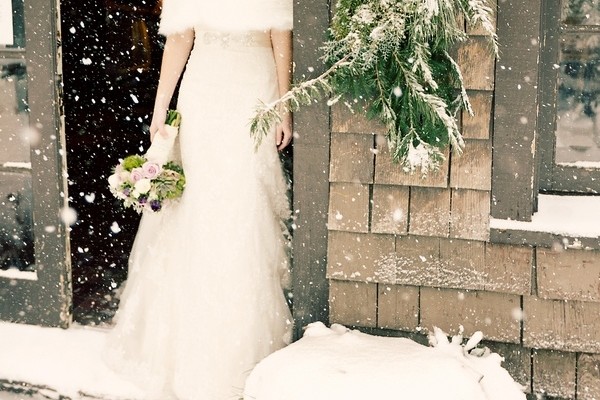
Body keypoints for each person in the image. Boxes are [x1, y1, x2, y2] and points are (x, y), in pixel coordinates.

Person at [103, 0, 294, 398]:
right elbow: (179, 38)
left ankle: (242, 342)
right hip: (204, 91)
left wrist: (283, 107)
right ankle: (188, 343)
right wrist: (160, 109)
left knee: (243, 201)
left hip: (253, 92)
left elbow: (281, 35)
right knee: (200, 204)